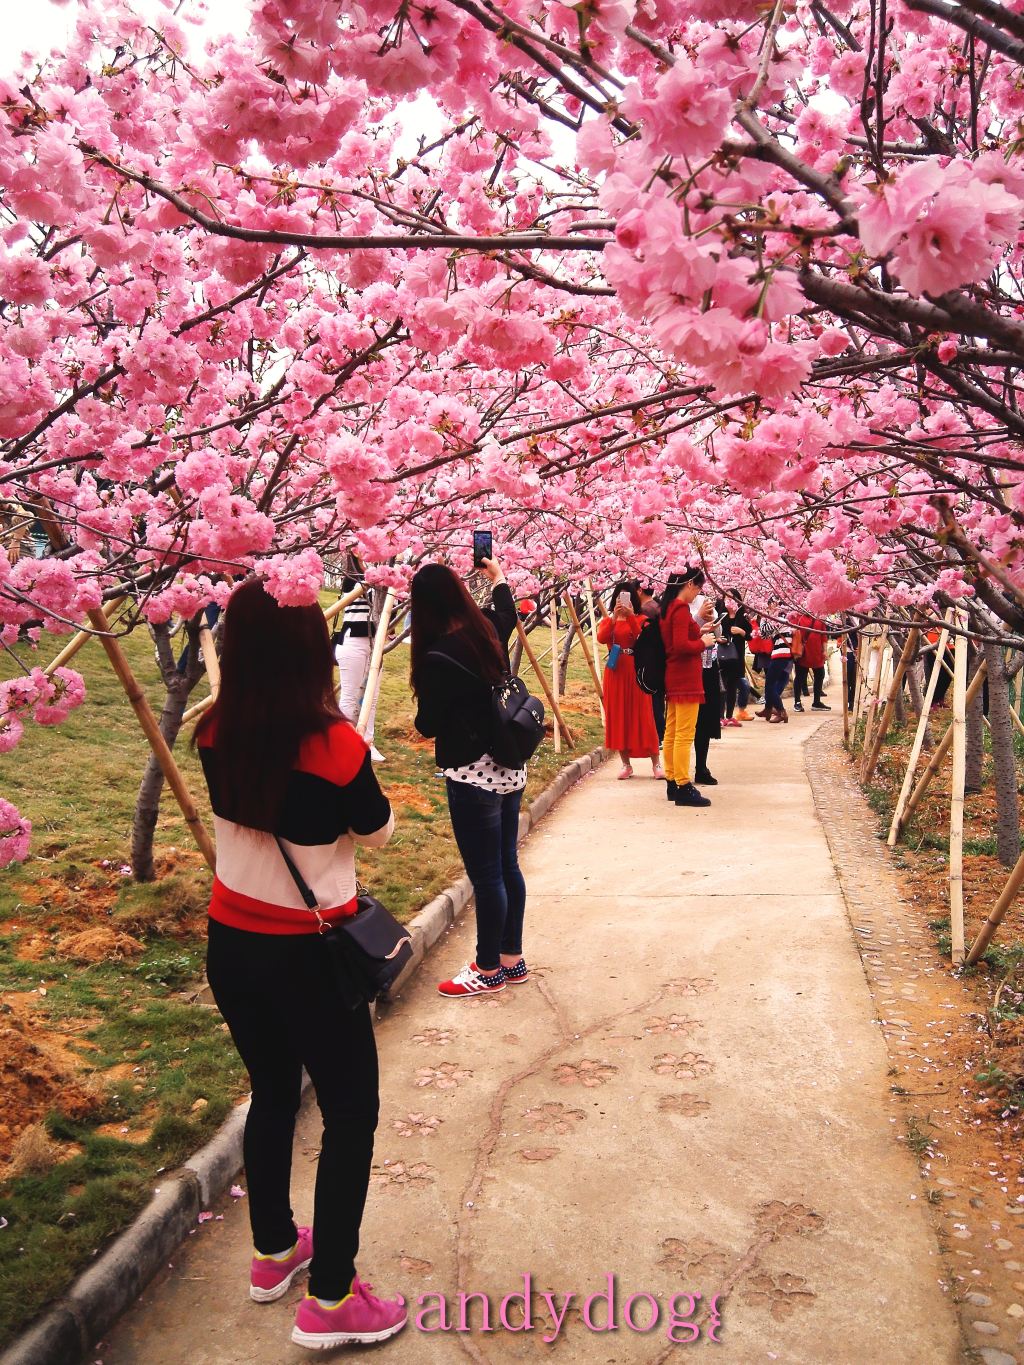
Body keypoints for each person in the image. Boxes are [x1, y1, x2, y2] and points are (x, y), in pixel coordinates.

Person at [195, 579, 406, 1352]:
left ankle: (275, 1248)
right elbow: (377, 830)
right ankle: (331, 1296)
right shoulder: (336, 745)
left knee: (272, 1091)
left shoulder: (215, 732)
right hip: (311, 956)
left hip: (233, 947)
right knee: (351, 1110)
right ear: (313, 653)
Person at [411, 552, 530, 998]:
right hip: (509, 766)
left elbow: (427, 724)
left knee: (486, 876)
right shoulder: (485, 630)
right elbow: (506, 613)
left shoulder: (438, 655)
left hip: (471, 775)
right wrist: (498, 576)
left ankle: (486, 968)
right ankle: (511, 959)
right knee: (506, 866)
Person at [661, 568, 717, 807]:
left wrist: (700, 630)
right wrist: (702, 642)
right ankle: (683, 785)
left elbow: (676, 640)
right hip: (686, 679)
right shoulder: (681, 609)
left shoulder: (669, 608)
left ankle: (673, 780)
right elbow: (681, 646)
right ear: (690, 584)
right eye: (698, 589)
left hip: (674, 677)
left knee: (672, 732)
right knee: (684, 734)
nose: (698, 595)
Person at [597, 580, 663, 779]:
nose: (622, 601)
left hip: (635, 670)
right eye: (618, 597)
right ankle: (625, 764)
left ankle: (656, 763)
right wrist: (614, 617)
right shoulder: (609, 620)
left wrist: (631, 617)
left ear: (633, 599)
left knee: (644, 715)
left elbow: (642, 637)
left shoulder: (642, 618)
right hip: (615, 672)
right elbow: (602, 638)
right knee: (618, 716)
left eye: (626, 597)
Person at [334, 563, 386, 763]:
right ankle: (345, 741)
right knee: (350, 694)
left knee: (371, 697)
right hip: (353, 641)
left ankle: (368, 742)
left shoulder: (385, 579)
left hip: (375, 642)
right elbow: (358, 590)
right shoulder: (352, 577)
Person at [691, 591, 722, 787]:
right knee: (684, 723)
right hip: (688, 668)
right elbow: (682, 634)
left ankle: (701, 767)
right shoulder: (676, 604)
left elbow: (718, 635)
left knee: (705, 720)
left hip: (708, 666)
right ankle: (676, 771)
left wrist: (712, 620)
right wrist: (698, 617)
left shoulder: (705, 602)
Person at [716, 591, 753, 726]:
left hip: (737, 655)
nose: (729, 599)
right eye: (726, 596)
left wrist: (741, 631)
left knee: (733, 686)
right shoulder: (720, 614)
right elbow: (712, 631)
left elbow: (750, 635)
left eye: (732, 597)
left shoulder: (742, 616)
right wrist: (719, 639)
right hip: (723, 655)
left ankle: (730, 716)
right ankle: (720, 716)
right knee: (722, 686)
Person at [637, 586, 666, 743]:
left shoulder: (646, 610)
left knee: (653, 698)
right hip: (660, 659)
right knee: (658, 698)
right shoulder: (657, 606)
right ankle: (660, 732)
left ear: (639, 591)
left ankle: (657, 734)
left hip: (651, 659)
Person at [758, 607, 794, 723]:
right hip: (784, 654)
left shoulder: (779, 619)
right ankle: (768, 709)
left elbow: (764, 630)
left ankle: (781, 711)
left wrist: (764, 616)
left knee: (770, 685)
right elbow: (765, 635)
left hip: (781, 654)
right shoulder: (783, 618)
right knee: (772, 683)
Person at [792, 610, 830, 712]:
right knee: (800, 677)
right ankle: (797, 702)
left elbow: (824, 636)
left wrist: (825, 651)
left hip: (817, 653)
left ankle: (816, 702)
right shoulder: (798, 617)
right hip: (803, 653)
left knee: (820, 674)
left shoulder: (819, 619)